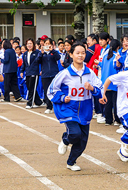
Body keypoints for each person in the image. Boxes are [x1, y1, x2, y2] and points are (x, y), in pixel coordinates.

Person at [48, 43, 102, 171]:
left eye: (83, 52)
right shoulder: (65, 73)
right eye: (77, 52)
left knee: (82, 142)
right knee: (74, 133)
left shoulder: (90, 73)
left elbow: (100, 88)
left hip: (85, 109)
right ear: (71, 54)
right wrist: (62, 97)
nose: (81, 55)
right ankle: (66, 140)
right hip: (69, 109)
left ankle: (71, 162)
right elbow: (51, 90)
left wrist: (92, 88)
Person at [97, 39, 122, 128]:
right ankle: (117, 120)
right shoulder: (117, 56)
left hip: (105, 82)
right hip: (114, 82)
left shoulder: (105, 56)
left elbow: (101, 65)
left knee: (107, 102)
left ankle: (108, 119)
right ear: (118, 47)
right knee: (115, 103)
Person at [37, 38, 60, 114]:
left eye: (48, 43)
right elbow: (37, 61)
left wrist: (52, 50)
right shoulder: (42, 53)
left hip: (54, 74)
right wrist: (41, 53)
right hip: (45, 75)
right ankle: (49, 106)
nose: (47, 45)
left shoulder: (53, 52)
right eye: (45, 43)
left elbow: (58, 57)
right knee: (46, 91)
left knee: (55, 90)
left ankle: (56, 105)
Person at [20, 38, 43, 108]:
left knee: (32, 88)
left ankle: (30, 103)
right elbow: (24, 63)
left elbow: (39, 60)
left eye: (30, 44)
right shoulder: (25, 54)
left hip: (34, 72)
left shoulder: (37, 53)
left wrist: (40, 54)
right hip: (27, 72)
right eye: (28, 44)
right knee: (29, 88)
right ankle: (38, 101)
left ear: (33, 45)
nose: (29, 45)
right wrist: (21, 71)